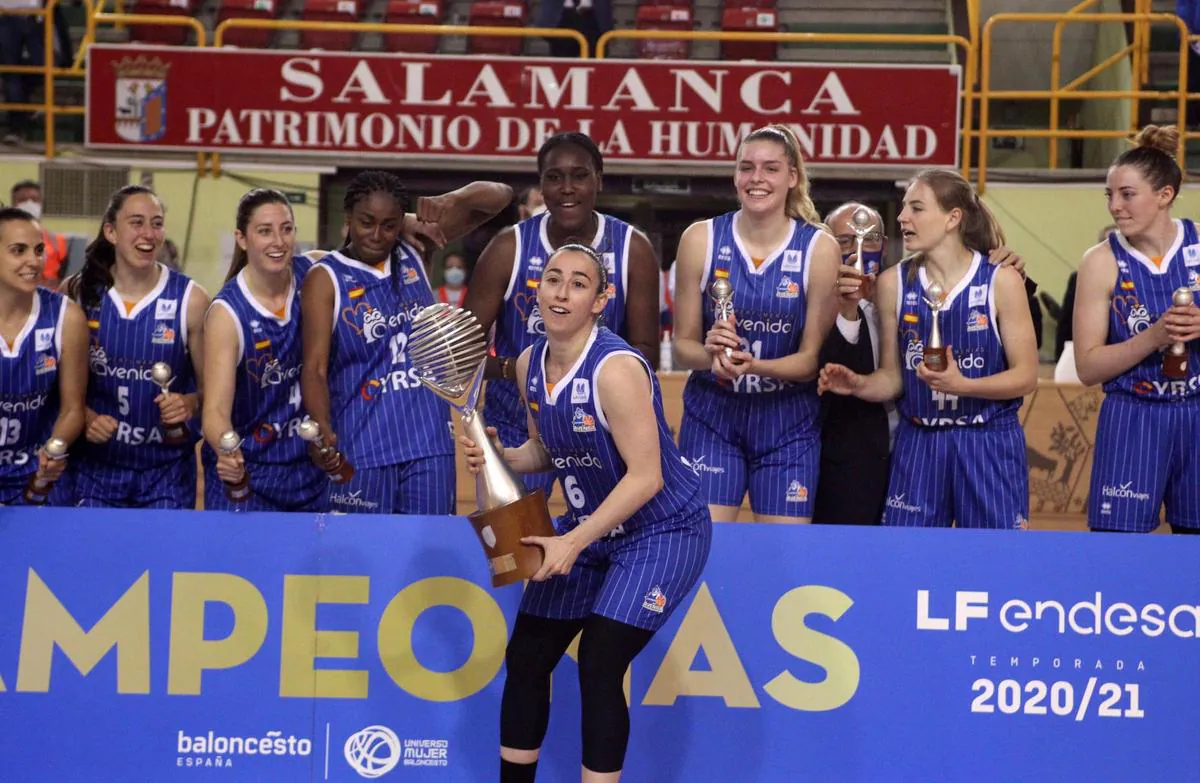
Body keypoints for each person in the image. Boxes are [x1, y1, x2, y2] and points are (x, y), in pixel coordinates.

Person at [460, 243, 711, 783]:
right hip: (595, 525)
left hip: (662, 527)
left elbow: (647, 477)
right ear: (538, 290)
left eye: (578, 283)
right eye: (553, 279)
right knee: (527, 655)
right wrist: (499, 456)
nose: (562, 291)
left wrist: (573, 542)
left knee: (599, 662)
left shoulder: (615, 369)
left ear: (601, 300)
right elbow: (546, 451)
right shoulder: (529, 363)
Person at [819, 168, 1039, 529]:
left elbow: (1026, 376)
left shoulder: (1001, 280)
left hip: (987, 440)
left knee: (995, 564)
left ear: (953, 218)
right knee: (907, 563)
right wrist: (858, 384)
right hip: (920, 440)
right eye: (904, 208)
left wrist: (964, 386)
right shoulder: (892, 283)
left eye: (917, 208)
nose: (903, 217)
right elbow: (893, 378)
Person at [300, 171, 512, 515]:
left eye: (388, 225)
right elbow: (314, 367)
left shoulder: (414, 249)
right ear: (348, 218)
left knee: (426, 560)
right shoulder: (326, 278)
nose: (377, 234)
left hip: (429, 443)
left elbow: (500, 197)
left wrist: (451, 200)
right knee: (363, 561)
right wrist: (322, 427)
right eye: (367, 222)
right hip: (362, 446)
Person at [465, 132, 660, 496]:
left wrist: (607, 397)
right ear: (541, 186)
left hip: (598, 422)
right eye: (554, 177)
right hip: (514, 422)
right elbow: (462, 352)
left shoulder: (633, 248)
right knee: (515, 542)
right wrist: (518, 369)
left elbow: (645, 352)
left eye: (580, 176)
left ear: (598, 180)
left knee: (604, 536)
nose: (567, 188)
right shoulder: (509, 248)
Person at [672, 124, 840, 524]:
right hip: (713, 414)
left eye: (770, 168)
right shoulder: (701, 238)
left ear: (792, 177)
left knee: (784, 550)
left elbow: (809, 361)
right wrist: (711, 356)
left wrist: (751, 365)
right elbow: (683, 348)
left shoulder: (819, 247)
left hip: (787, 421)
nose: (757, 179)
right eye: (746, 168)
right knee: (707, 546)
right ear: (735, 175)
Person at [1073, 125, 1200, 534]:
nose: (1115, 206)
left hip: (1196, 410)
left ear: (1165, 195)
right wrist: (1154, 338)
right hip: (1132, 417)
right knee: (1118, 551)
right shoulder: (1100, 261)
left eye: (1127, 195)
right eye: (1109, 195)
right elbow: (1088, 367)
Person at [63, 185, 209, 508]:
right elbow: (54, 386)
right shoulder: (77, 293)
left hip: (166, 472)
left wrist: (188, 403)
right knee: (94, 558)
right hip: (95, 469)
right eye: (136, 222)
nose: (148, 233)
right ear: (111, 232)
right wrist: (85, 417)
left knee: (163, 558)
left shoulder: (191, 299)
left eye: (156, 223)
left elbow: (213, 391)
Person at [200, 188, 326, 512]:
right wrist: (226, 451)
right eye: (265, 231)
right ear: (242, 239)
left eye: (286, 228)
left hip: (309, 470)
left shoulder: (315, 273)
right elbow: (214, 410)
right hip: (250, 473)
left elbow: (362, 251)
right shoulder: (227, 314)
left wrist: (408, 221)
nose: (279, 241)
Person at [812, 202, 893, 525]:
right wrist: (847, 310)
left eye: (869, 238)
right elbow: (829, 381)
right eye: (843, 241)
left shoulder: (905, 292)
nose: (857, 248)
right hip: (845, 466)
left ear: (884, 246)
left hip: (910, 461)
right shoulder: (816, 304)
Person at [0, 207, 87, 504]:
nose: (33, 261)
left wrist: (56, 447)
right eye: (18, 251)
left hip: (39, 470)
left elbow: (73, 408)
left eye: (38, 250)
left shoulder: (66, 316)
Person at [9, 181, 69, 285]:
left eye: (34, 199)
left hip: (49, 298)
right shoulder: (4, 239)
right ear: (13, 204)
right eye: (23, 200)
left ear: (41, 203)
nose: (29, 203)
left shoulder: (58, 241)